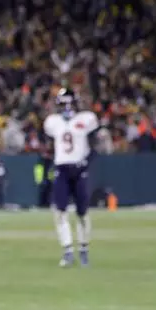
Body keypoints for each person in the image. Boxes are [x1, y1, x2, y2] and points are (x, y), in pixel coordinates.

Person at [43, 87, 99, 267]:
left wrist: (86, 161)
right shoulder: (53, 122)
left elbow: (94, 144)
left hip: (79, 169)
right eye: (63, 103)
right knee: (60, 212)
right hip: (62, 169)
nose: (66, 107)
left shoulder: (86, 119)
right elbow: (49, 144)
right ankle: (67, 250)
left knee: (82, 212)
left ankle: (83, 249)